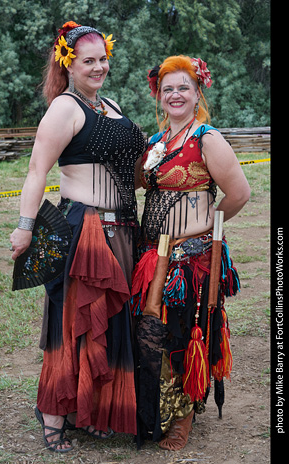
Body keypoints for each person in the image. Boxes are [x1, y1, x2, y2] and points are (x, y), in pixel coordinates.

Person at [10, 20, 146, 453]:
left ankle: (90, 410)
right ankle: (53, 416)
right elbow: (37, 171)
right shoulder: (64, 109)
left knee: (108, 324)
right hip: (84, 230)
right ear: (69, 65)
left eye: (103, 59)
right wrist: (25, 226)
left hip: (124, 228)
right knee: (73, 323)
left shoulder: (112, 104)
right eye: (88, 61)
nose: (98, 67)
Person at [131, 55, 250, 451]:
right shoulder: (155, 142)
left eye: (183, 87)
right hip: (153, 255)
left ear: (197, 92)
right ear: (160, 98)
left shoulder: (207, 138)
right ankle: (157, 407)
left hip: (191, 259)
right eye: (168, 89)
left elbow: (239, 194)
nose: (175, 94)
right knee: (150, 332)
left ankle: (183, 416)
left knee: (180, 334)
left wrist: (204, 226)